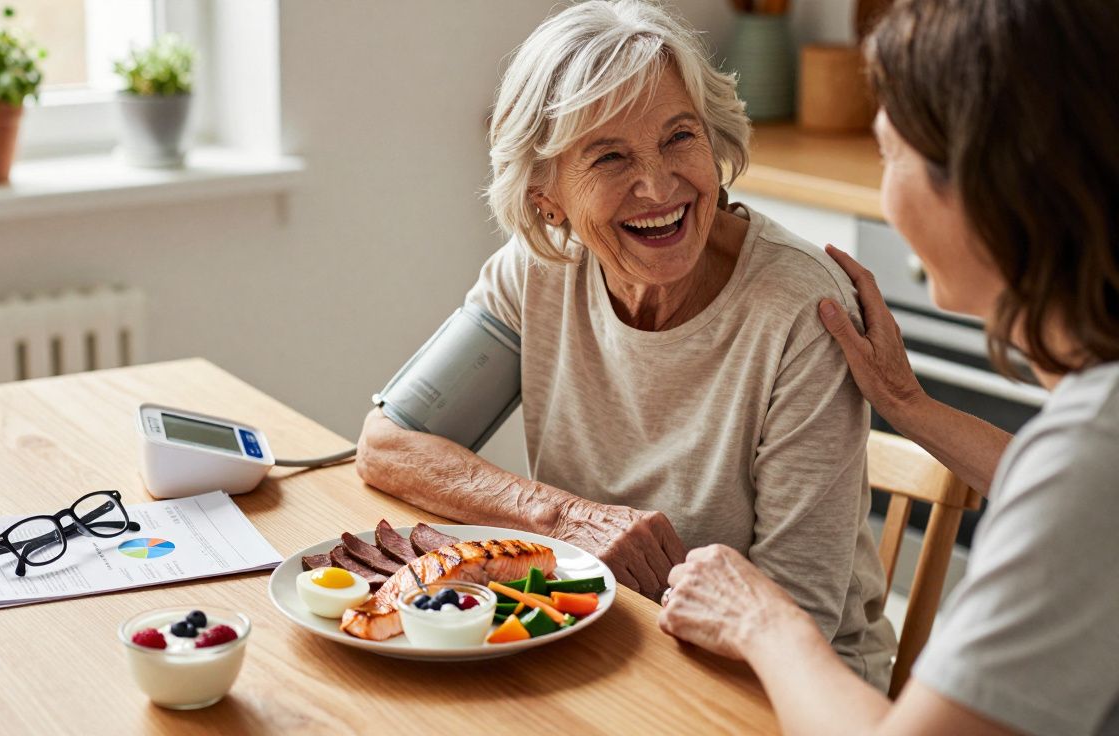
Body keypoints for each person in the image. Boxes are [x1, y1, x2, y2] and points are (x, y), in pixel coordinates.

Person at [357, 0, 896, 688]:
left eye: (679, 138)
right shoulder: (537, 273)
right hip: (599, 647)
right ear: (545, 193)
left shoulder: (801, 310)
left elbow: (801, 617)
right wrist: (567, 518)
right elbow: (388, 444)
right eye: (610, 156)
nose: (659, 185)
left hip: (777, 689)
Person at [657, 0, 1119, 733]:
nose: (883, 191)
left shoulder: (1094, 455)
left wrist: (762, 621)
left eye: (888, 154)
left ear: (990, 178)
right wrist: (907, 404)